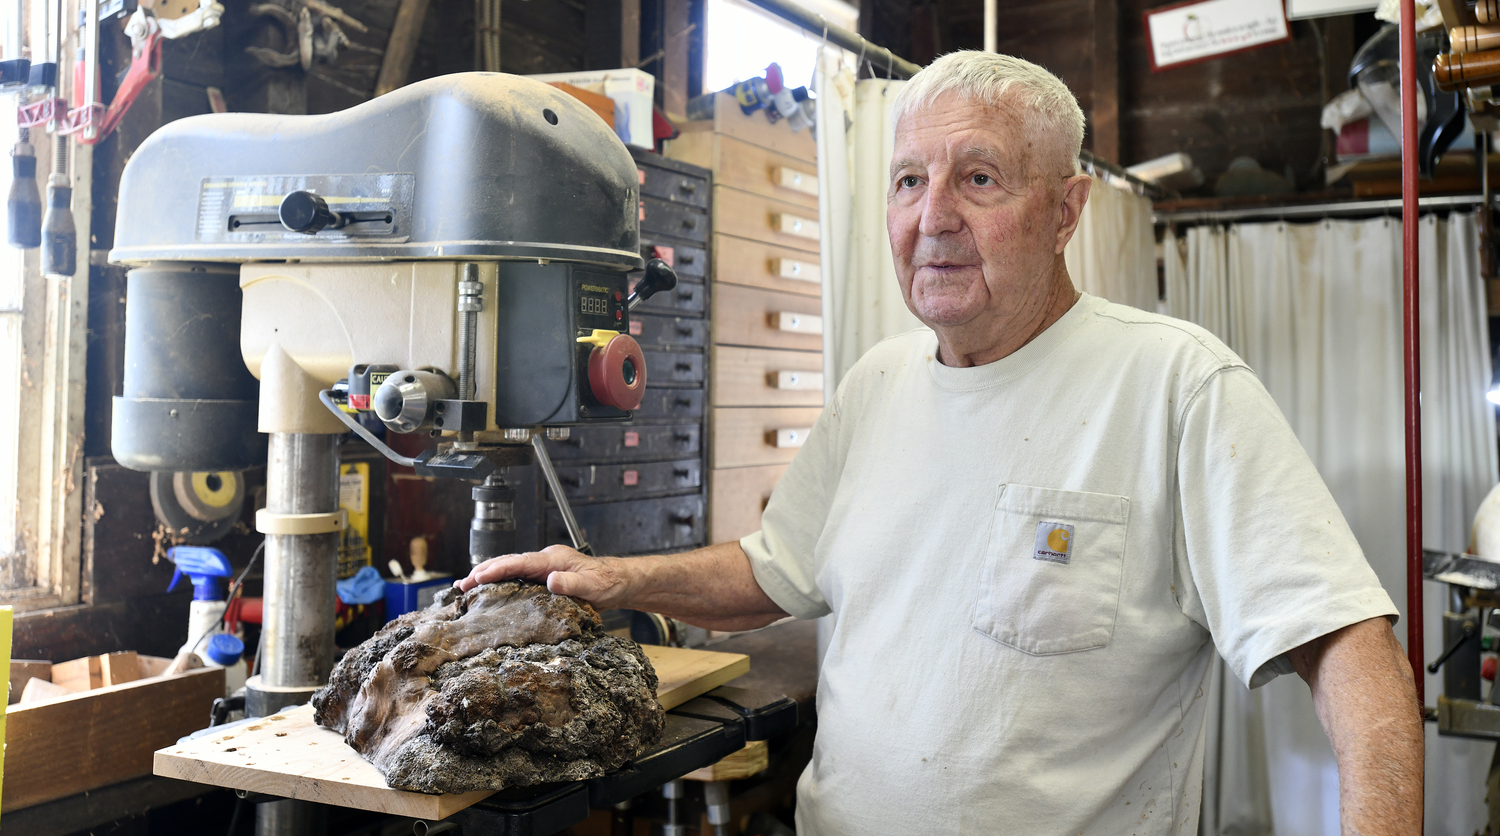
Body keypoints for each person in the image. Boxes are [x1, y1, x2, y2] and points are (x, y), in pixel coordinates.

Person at [463, 51, 1422, 834]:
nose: (933, 220)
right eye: (909, 181)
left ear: (1066, 211)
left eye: (979, 179)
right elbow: (775, 574)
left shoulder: (1176, 387)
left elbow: (1348, 647)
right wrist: (614, 578)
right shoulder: (875, 386)